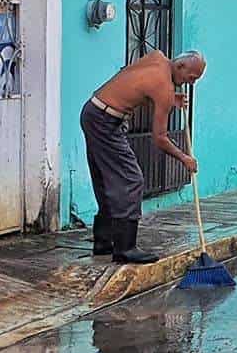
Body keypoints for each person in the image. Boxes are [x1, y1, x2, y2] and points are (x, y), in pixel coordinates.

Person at [82, 50, 205, 263]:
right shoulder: (164, 89)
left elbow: (132, 80)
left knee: (106, 179)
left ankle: (104, 242)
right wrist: (185, 158)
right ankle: (125, 248)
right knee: (131, 179)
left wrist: (166, 98)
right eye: (191, 78)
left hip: (93, 110)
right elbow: (160, 138)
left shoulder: (157, 57)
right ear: (180, 67)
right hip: (105, 122)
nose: (190, 84)